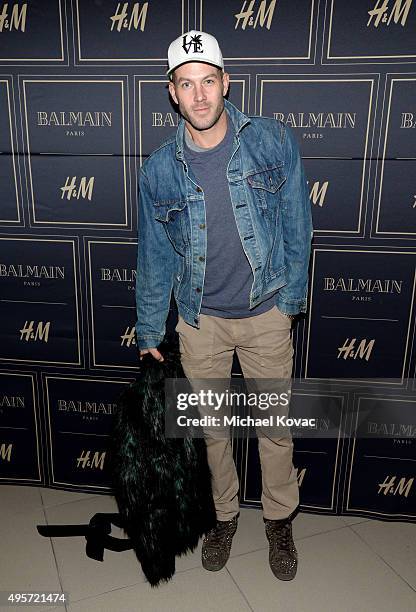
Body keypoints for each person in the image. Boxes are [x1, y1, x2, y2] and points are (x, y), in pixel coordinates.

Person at [135, 29, 313, 581]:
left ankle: (279, 523)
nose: (200, 96)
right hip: (200, 323)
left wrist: (289, 303)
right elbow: (154, 256)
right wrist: (148, 330)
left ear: (225, 82)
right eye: (187, 85)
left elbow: (296, 228)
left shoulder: (271, 141)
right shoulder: (159, 169)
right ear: (172, 93)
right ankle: (224, 517)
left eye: (208, 81)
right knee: (212, 432)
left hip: (265, 314)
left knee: (275, 429)